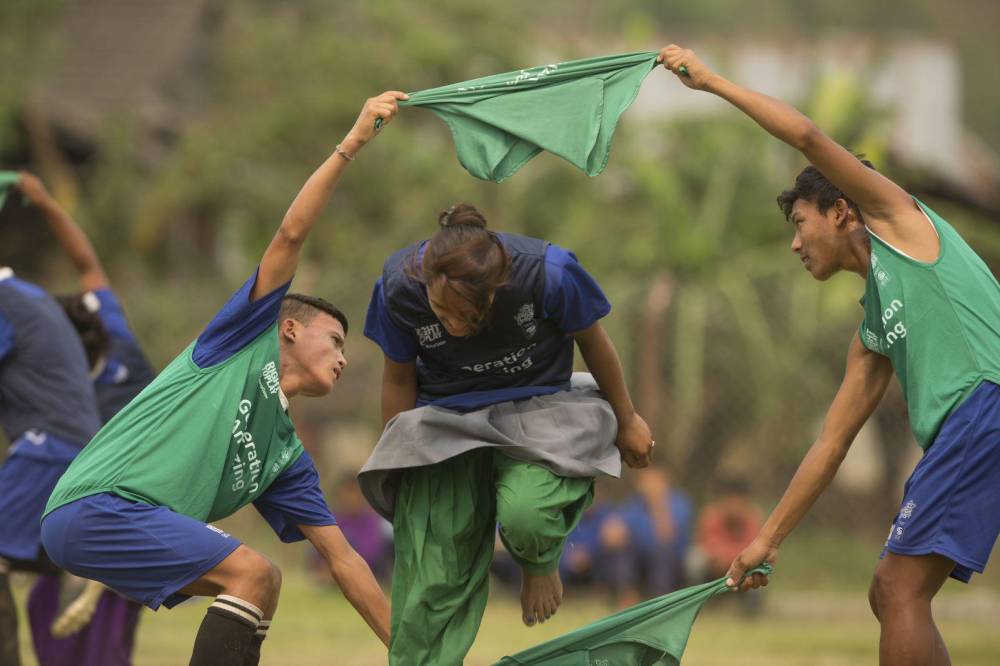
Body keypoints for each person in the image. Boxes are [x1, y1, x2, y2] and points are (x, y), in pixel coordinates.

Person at [658, 44, 1000, 665]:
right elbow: (831, 444)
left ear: (841, 211)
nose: (795, 244)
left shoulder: (899, 222)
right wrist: (768, 539)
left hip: (985, 407)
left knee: (897, 589)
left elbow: (808, 136)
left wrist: (712, 83)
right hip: (973, 425)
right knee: (889, 593)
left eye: (800, 223)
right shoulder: (873, 330)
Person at [40, 91, 408, 666]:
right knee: (252, 572)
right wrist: (352, 143)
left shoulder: (285, 457)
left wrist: (415, 654)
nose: (343, 357)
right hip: (94, 506)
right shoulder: (244, 339)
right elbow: (290, 236)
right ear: (289, 329)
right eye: (335, 340)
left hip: (113, 523)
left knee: (265, 583)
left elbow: (345, 562)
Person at [359, 206, 653, 665]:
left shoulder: (548, 273)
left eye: (469, 315)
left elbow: (595, 342)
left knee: (527, 516)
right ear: (426, 280)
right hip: (447, 420)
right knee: (432, 578)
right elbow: (398, 378)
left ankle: (539, 563)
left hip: (541, 409)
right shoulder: (397, 288)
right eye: (444, 312)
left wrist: (628, 417)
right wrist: (401, 455)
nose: (456, 326)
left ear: (498, 287)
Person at [8, 171, 157, 664]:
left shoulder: (96, 372)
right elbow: (86, 264)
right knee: (52, 614)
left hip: (124, 494)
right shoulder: (97, 339)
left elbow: (86, 264)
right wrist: (45, 202)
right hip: (78, 499)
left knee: (98, 641)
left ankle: (92, 580)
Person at [0, 254, 104, 666]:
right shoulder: (29, 295)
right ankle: (79, 566)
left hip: (46, 448)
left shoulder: (5, 302)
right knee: (36, 550)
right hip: (73, 450)